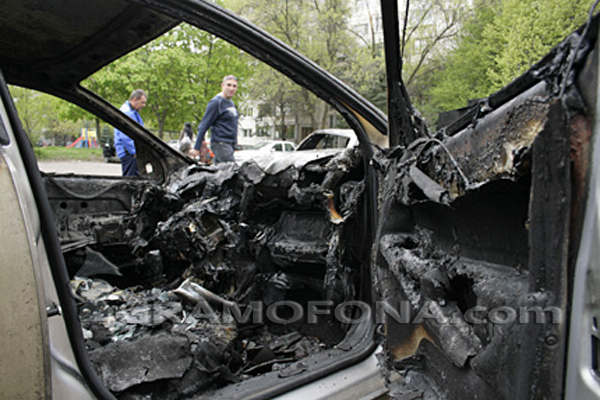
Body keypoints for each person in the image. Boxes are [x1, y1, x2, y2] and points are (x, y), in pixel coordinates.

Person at [190, 75, 239, 163]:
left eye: (234, 86)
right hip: (220, 143)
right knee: (233, 171)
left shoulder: (230, 103)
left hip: (229, 144)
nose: (231, 88)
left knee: (220, 174)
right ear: (222, 86)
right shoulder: (216, 102)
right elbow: (203, 126)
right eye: (228, 85)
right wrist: (196, 148)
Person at [114, 89, 147, 176]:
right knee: (130, 180)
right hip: (129, 153)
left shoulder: (132, 111)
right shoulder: (127, 112)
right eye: (142, 102)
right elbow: (126, 136)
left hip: (129, 153)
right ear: (135, 99)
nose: (144, 105)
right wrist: (135, 152)